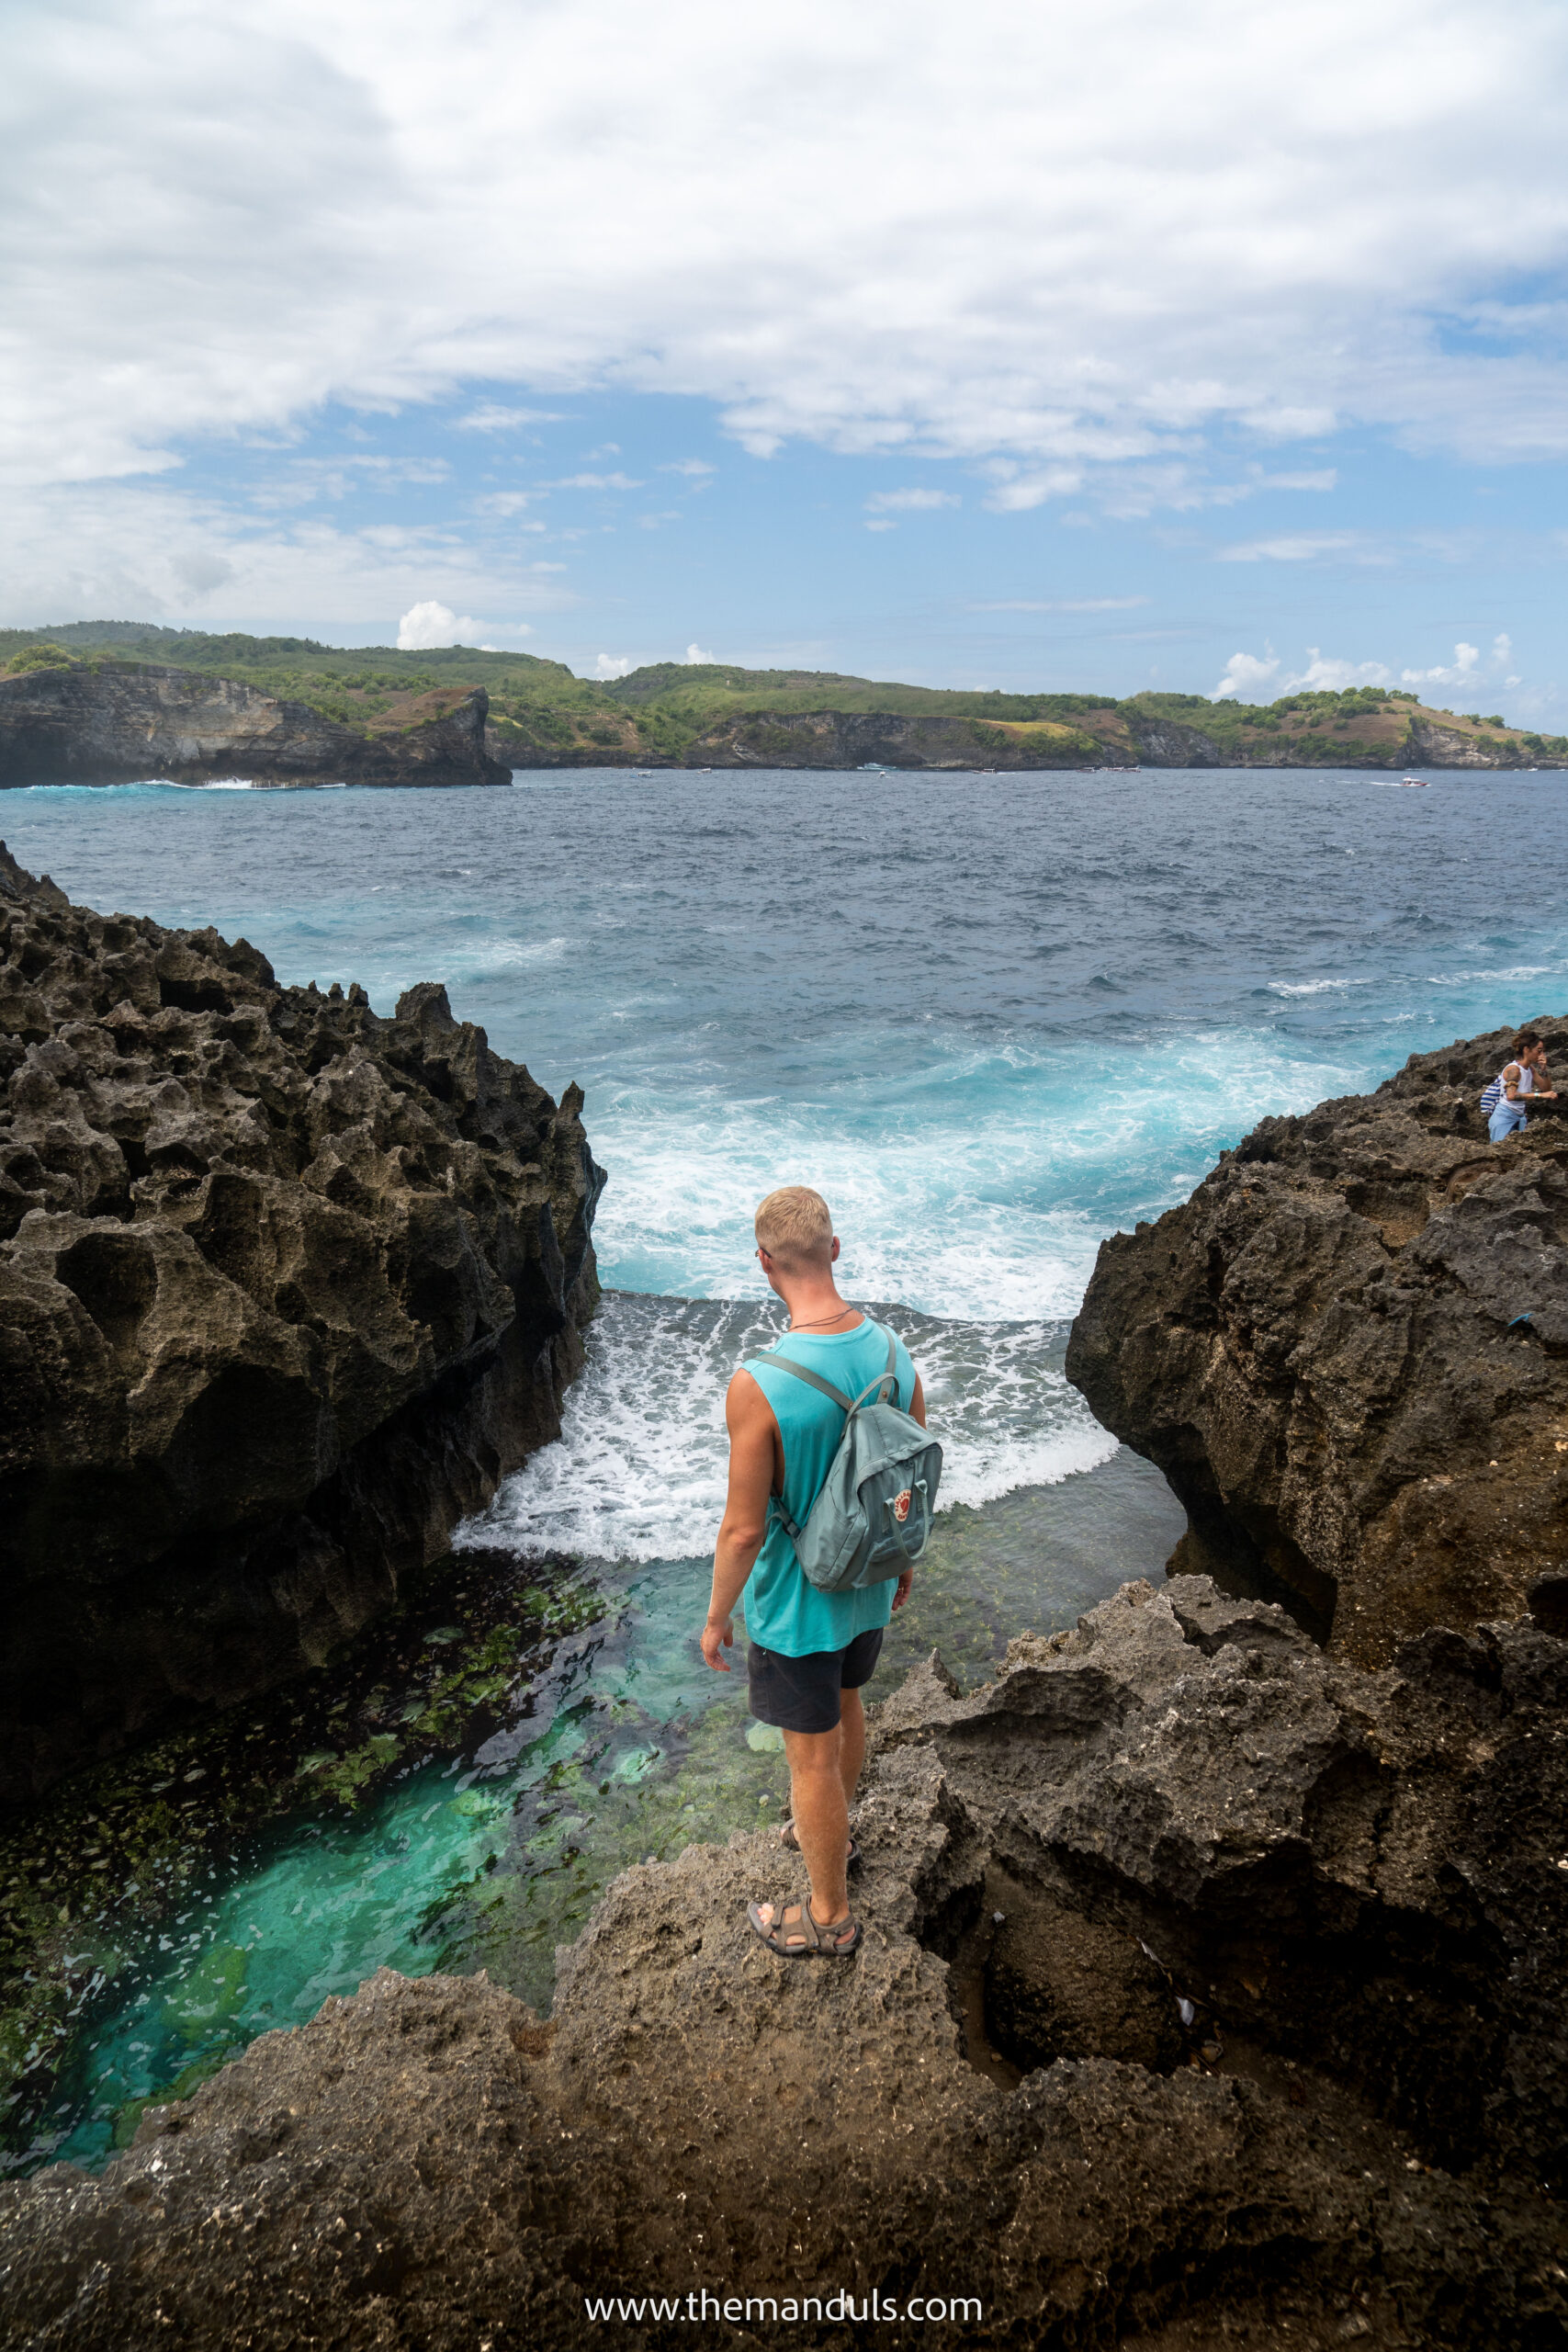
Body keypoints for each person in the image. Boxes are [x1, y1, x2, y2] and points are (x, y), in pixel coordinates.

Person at [700, 1185, 925, 1959]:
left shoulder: (759, 1382)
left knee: (811, 1758)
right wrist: (900, 1561)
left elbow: (742, 1531)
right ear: (834, 1248)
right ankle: (834, 1832)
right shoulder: (894, 1351)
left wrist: (716, 1616)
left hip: (800, 1605)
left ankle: (828, 1917)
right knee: (848, 1704)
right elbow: (910, 1476)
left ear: (763, 1263)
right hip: (867, 1584)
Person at [1489, 1030, 1558, 1142]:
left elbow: (1546, 1089)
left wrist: (1544, 1069)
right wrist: (1540, 1095)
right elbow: (1511, 1096)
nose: (1542, 1055)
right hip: (1504, 1118)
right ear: (1526, 1050)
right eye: (1539, 1051)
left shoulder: (1530, 1069)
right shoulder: (1514, 1070)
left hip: (1519, 1117)